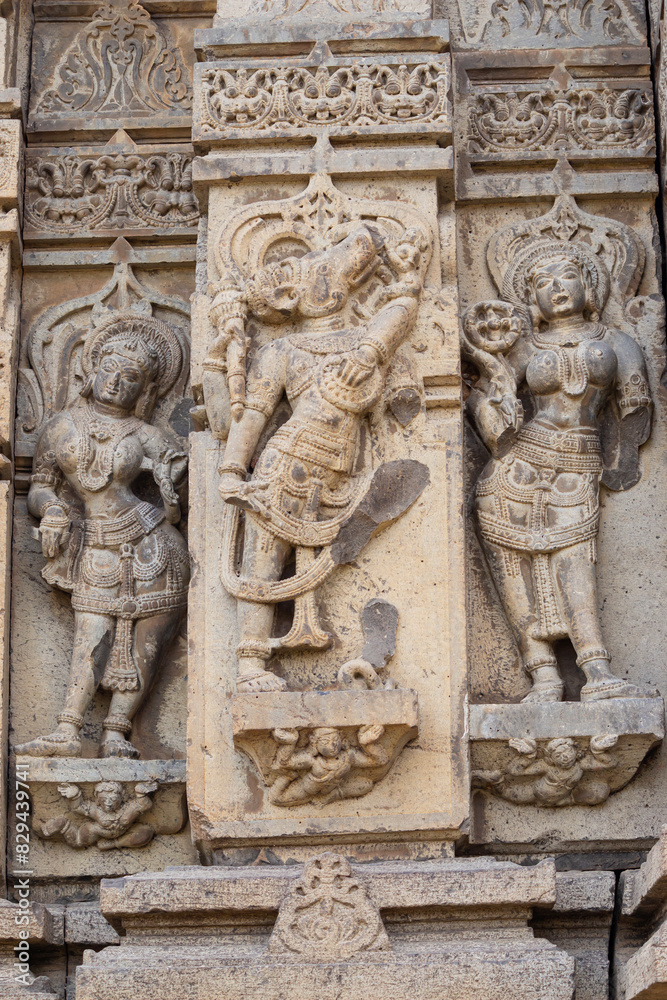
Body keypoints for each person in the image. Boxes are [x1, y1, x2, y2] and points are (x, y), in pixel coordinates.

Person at [466, 242, 654, 702]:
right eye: (543, 282)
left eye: (567, 276)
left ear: (588, 286)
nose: (557, 288)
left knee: (574, 562)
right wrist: (492, 392)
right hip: (515, 470)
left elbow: (635, 410)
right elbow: (494, 413)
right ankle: (544, 676)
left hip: (578, 465)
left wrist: (621, 460)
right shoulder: (526, 346)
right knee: (515, 568)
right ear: (532, 300)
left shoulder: (615, 342)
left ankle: (597, 669)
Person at [16, 315, 189, 758]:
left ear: (145, 391)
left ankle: (116, 732)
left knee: (146, 644)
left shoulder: (148, 434)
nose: (116, 382)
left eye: (130, 378)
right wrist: (52, 509)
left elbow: (178, 488)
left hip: (154, 544)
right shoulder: (61, 427)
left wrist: (172, 481)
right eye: (109, 369)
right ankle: (67, 730)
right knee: (90, 634)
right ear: (92, 372)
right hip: (95, 543)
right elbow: (40, 486)